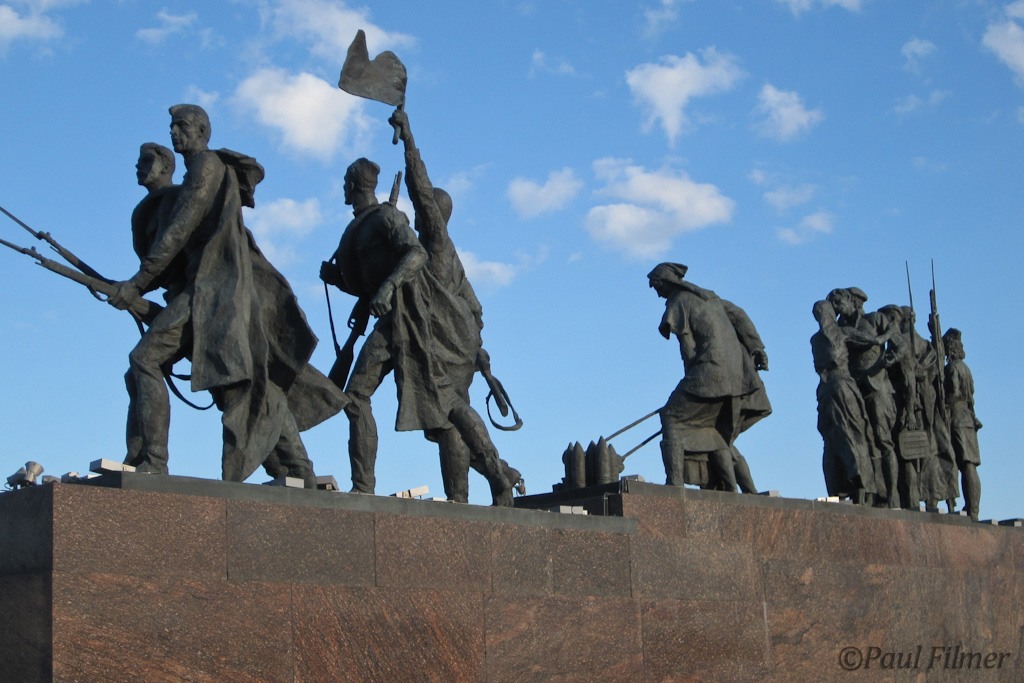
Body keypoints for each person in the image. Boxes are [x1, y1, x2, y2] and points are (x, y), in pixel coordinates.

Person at [108, 105, 341, 486]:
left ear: (202, 131)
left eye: (181, 126)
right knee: (237, 387)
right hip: (205, 291)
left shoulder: (206, 166)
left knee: (146, 360)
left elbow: (180, 229)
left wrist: (136, 283)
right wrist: (133, 289)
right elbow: (176, 257)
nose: (174, 131)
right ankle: (297, 469)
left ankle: (153, 462)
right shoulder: (196, 171)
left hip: (213, 292)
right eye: (172, 126)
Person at [388, 107, 521, 505]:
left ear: (434, 216)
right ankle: (462, 498)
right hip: (449, 347)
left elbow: (421, 189)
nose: (417, 215)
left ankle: (498, 474)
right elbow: (474, 307)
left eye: (422, 212)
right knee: (446, 424)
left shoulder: (438, 242)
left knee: (451, 410)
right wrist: (476, 349)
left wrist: (409, 139)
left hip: (446, 350)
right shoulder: (449, 258)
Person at [649, 263, 771, 492]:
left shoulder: (678, 302)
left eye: (656, 285)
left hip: (709, 374)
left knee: (671, 417)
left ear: (666, 282)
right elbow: (739, 316)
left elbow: (687, 347)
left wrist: (691, 378)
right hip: (738, 379)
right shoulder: (710, 298)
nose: (655, 291)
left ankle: (674, 486)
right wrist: (757, 348)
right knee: (716, 431)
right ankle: (741, 490)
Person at [827, 287, 900, 508]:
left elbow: (901, 345)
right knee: (863, 443)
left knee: (883, 441)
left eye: (838, 303)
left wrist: (890, 357)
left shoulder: (875, 319)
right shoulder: (839, 329)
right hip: (854, 391)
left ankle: (893, 494)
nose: (837, 309)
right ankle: (871, 493)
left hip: (878, 388)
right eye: (833, 306)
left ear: (850, 300)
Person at [811, 299, 875, 504]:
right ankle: (861, 488)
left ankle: (836, 489)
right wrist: (890, 333)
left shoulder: (815, 340)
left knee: (830, 442)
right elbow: (873, 340)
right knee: (853, 435)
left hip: (824, 390)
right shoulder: (842, 332)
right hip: (842, 387)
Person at [944, 328, 982, 521]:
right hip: (968, 418)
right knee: (970, 465)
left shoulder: (951, 368)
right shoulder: (965, 368)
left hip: (957, 418)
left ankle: (972, 509)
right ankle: (973, 508)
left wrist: (943, 403)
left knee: (966, 464)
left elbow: (955, 393)